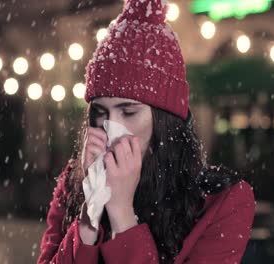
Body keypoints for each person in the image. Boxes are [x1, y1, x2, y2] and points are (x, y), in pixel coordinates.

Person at [37, 0, 255, 263]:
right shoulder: (73, 185)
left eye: (128, 112)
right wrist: (89, 219)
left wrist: (121, 213)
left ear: (164, 122)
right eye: (100, 112)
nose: (110, 127)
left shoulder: (221, 201)